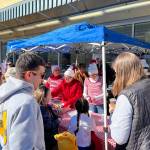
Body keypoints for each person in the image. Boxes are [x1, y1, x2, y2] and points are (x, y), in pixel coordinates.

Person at [0, 53, 45, 149]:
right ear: (29, 75)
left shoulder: (5, 95)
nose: (42, 80)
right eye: (41, 75)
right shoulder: (26, 102)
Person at [110, 52, 150, 150]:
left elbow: (119, 138)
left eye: (116, 72)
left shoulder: (126, 96)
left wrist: (113, 113)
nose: (115, 76)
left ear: (123, 73)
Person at [34, 84, 59, 150]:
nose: (51, 96)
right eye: (49, 95)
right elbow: (48, 126)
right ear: (44, 97)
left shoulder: (47, 106)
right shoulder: (41, 110)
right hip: (47, 141)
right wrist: (57, 121)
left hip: (52, 139)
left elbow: (55, 117)